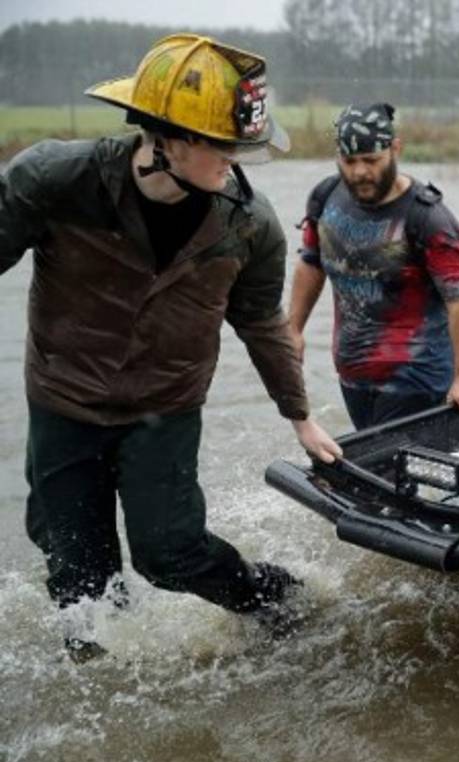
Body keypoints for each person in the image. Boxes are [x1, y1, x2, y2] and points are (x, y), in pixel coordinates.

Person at [0, 34, 342, 661]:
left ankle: (283, 602)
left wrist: (299, 414)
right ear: (167, 137)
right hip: (63, 400)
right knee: (78, 579)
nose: (237, 161)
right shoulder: (55, 181)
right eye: (224, 145)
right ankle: (104, 688)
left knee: (170, 554)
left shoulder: (248, 222)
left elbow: (261, 322)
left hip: (165, 406)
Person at [288, 103, 459, 430]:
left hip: (415, 375)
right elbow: (311, 263)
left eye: (371, 160)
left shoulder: (427, 218)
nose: (360, 171)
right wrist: (293, 329)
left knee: (381, 472)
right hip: (352, 370)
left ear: (395, 149)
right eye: (349, 162)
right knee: (372, 468)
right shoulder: (325, 197)